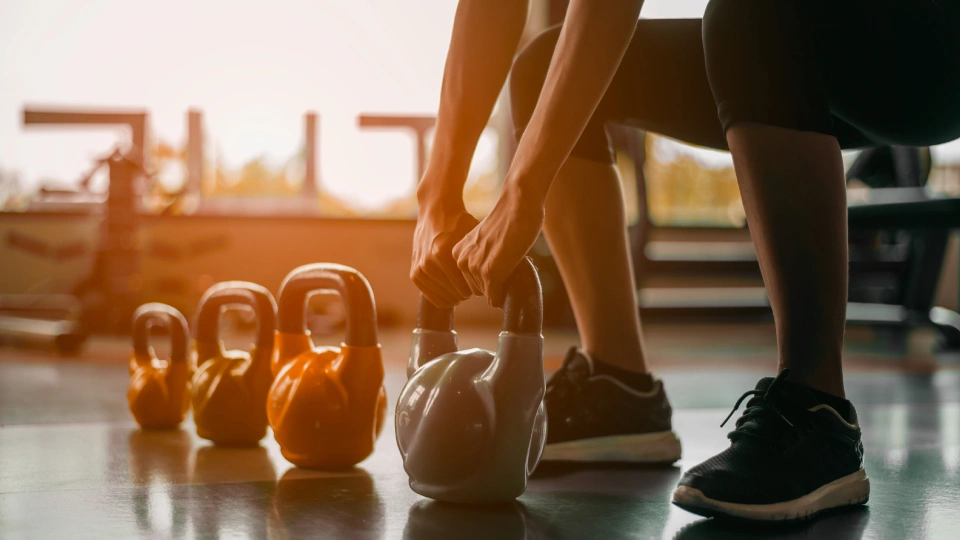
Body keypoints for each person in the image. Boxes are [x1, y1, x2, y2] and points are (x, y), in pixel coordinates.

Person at [410, 0, 960, 522]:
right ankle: (619, 389)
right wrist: (437, 195)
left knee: (751, 13)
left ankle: (818, 414)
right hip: (790, 42)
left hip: (930, 43)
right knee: (542, 68)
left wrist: (522, 191)